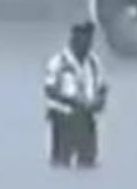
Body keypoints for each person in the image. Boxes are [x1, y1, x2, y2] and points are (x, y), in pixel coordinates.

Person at [44, 21, 108, 169]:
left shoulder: (94, 62)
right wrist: (73, 101)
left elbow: (102, 86)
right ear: (74, 38)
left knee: (88, 163)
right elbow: (50, 89)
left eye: (89, 39)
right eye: (83, 38)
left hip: (87, 118)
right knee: (61, 163)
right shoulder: (58, 61)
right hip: (63, 118)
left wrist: (100, 101)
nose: (87, 43)